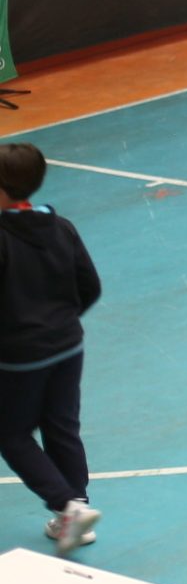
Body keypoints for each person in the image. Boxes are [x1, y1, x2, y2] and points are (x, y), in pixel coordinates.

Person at [0, 143, 102, 555]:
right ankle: (78, 513)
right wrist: (59, 321)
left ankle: (67, 507)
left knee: (11, 434)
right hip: (68, 346)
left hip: (20, 357)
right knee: (62, 426)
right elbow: (90, 285)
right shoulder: (62, 228)